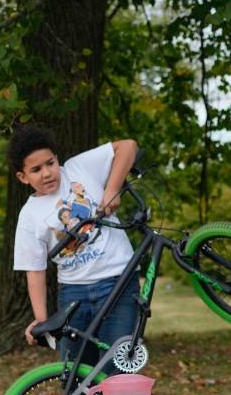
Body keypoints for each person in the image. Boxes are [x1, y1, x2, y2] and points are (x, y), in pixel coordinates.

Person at [9, 124, 139, 375]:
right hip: (73, 295)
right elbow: (34, 270)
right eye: (36, 170)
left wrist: (112, 189)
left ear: (58, 159)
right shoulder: (29, 216)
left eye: (50, 163)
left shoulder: (79, 167)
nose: (47, 173)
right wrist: (41, 318)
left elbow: (128, 146)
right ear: (23, 177)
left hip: (119, 283)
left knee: (118, 368)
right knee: (75, 373)